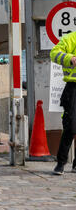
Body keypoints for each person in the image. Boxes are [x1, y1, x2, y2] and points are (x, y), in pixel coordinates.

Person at [50, 31, 76, 175]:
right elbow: (54, 53)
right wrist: (69, 58)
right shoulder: (71, 38)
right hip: (73, 88)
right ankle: (61, 163)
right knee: (71, 127)